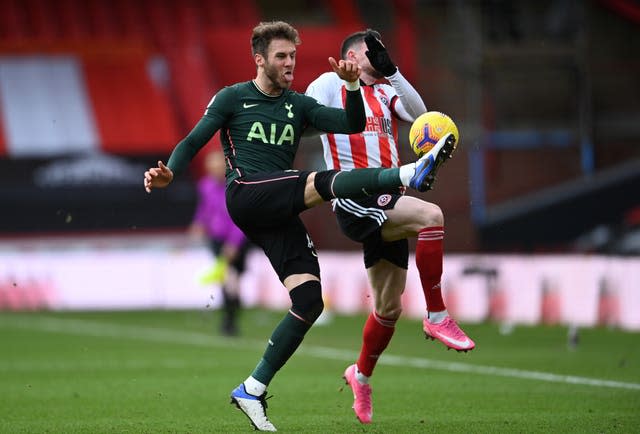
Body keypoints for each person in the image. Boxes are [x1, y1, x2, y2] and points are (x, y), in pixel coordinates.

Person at [143, 21, 455, 432]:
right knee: (322, 179)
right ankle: (408, 173)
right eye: (280, 57)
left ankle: (252, 389)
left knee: (309, 301)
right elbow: (192, 141)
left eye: (292, 55)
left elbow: (352, 124)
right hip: (247, 192)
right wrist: (171, 171)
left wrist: (351, 89)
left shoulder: (298, 105)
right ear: (259, 60)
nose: (290, 63)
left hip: (278, 208)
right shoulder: (233, 97)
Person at [305, 30, 475, 425]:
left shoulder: (384, 91)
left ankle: (360, 376)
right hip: (355, 194)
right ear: (350, 54)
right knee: (431, 216)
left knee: (388, 308)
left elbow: (422, 117)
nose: (378, 56)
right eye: (371, 51)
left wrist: (392, 71)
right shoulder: (330, 84)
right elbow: (306, 117)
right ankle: (436, 316)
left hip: (387, 198)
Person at [189, 149, 250, 336]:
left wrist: (234, 243)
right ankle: (229, 321)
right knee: (227, 278)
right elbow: (205, 208)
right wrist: (199, 223)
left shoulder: (235, 185)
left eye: (217, 166)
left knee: (233, 280)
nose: (214, 170)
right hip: (216, 239)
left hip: (238, 239)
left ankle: (232, 312)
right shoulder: (205, 186)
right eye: (211, 166)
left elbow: (240, 217)